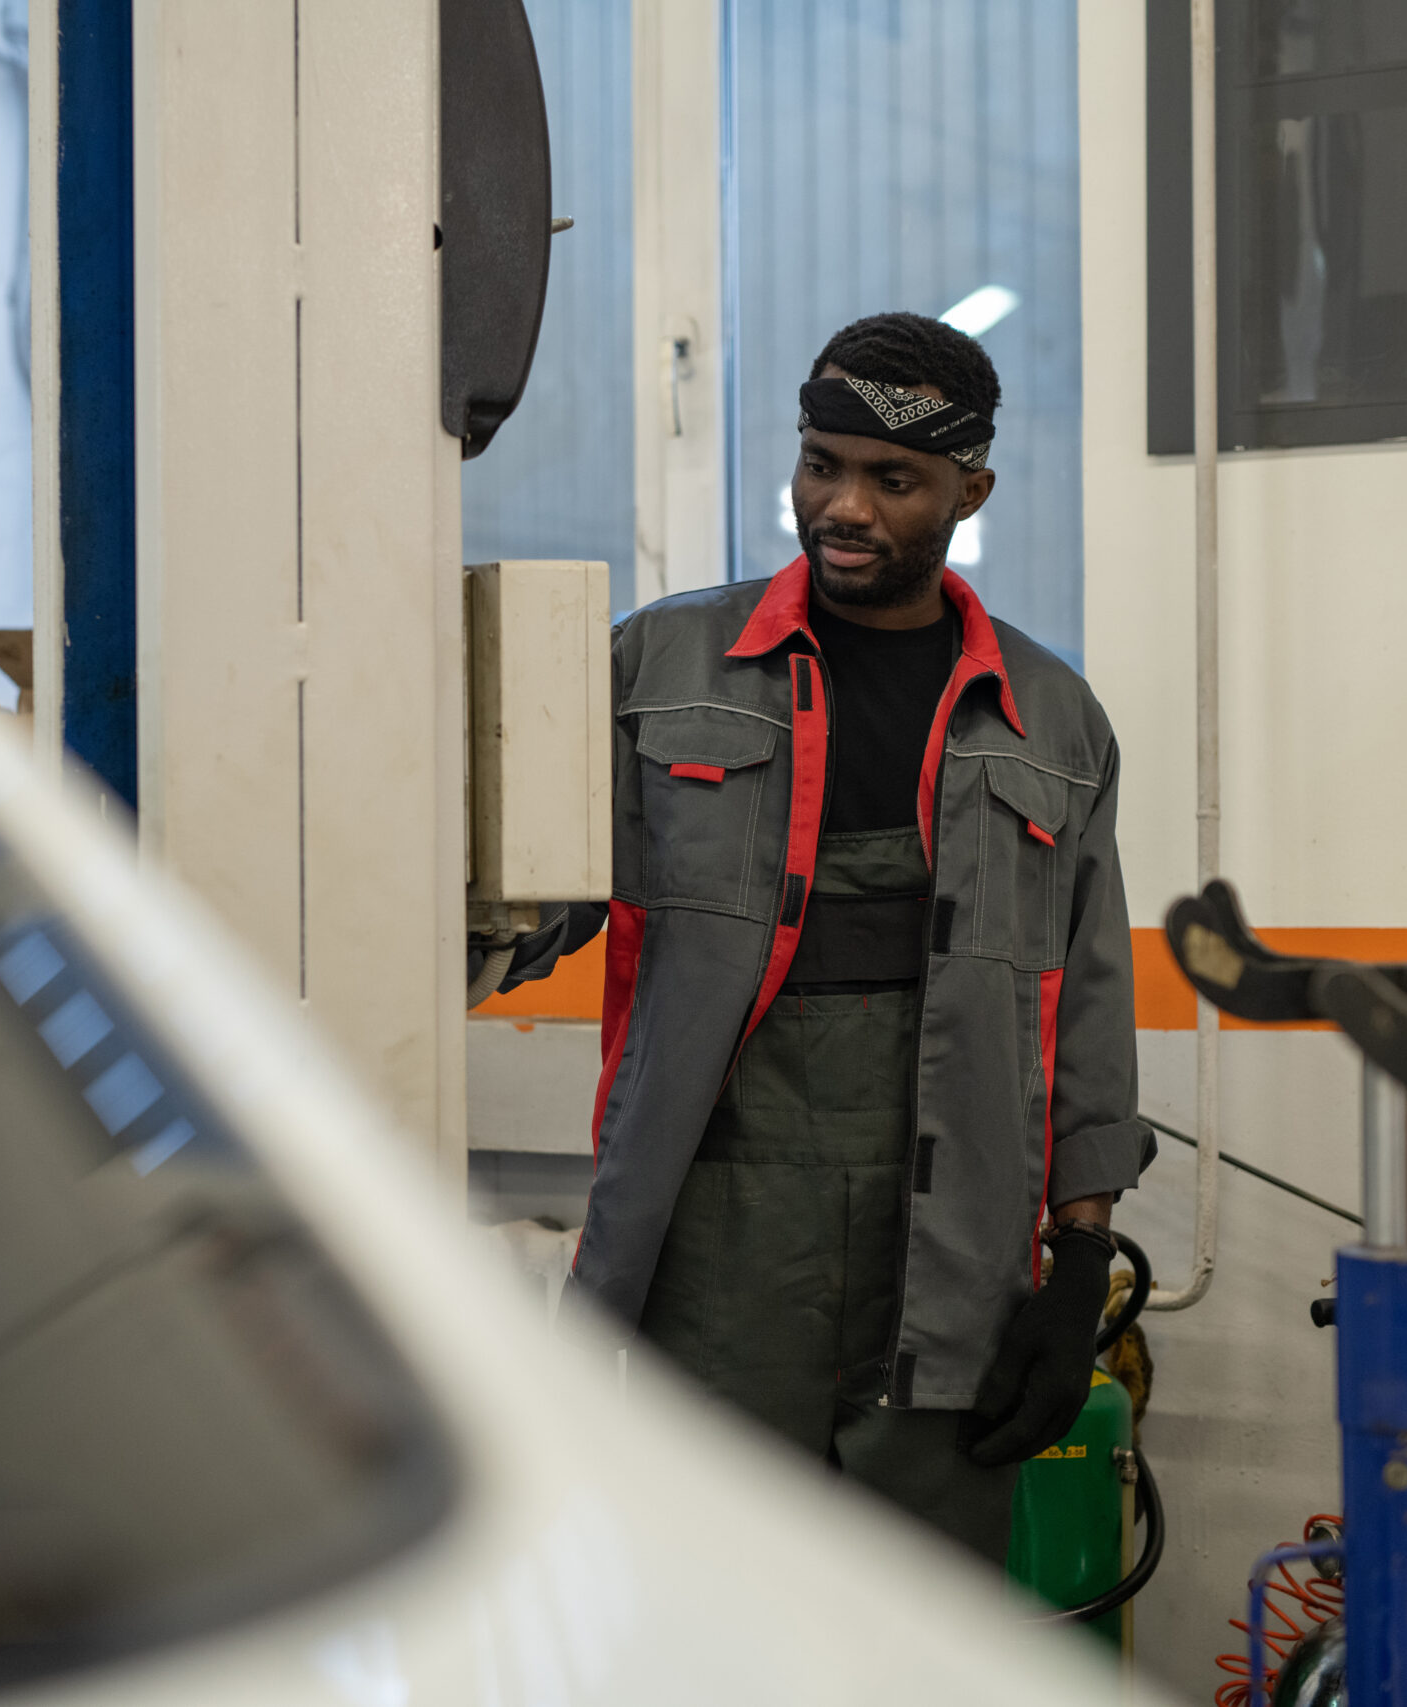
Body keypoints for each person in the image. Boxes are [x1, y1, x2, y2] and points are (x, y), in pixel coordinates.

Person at [480, 311, 1152, 1561]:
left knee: (921, 1627)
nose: (841, 505)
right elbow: (532, 907)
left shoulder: (1050, 718)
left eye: (891, 480)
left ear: (970, 489)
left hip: (951, 1248)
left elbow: (1086, 1006)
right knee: (711, 1611)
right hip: (715, 1238)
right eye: (819, 464)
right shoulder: (659, 667)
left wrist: (1079, 1264)